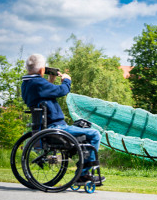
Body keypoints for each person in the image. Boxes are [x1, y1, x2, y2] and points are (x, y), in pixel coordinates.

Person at [21, 53, 105, 183]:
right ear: (42, 69)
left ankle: (83, 171)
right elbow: (61, 91)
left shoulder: (27, 83)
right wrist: (67, 80)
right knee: (94, 134)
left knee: (83, 131)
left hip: (47, 126)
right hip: (56, 127)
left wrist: (51, 81)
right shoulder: (37, 82)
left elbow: (44, 94)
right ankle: (83, 174)